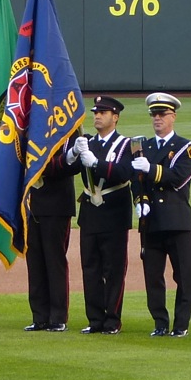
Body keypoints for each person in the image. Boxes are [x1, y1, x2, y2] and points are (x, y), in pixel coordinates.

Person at [131, 91, 191, 337]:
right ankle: (160, 323)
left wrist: (151, 169)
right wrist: (140, 200)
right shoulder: (142, 146)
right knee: (153, 277)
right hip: (151, 222)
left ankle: (181, 324)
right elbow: (136, 180)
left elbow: (178, 178)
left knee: (184, 275)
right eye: (154, 115)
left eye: (162, 114)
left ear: (173, 117)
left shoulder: (186, 147)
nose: (157, 118)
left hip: (176, 221)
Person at [70, 95, 134, 334]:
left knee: (114, 269)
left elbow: (125, 172)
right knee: (90, 268)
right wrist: (72, 153)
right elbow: (68, 168)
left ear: (115, 117)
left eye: (103, 113)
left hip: (114, 214)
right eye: (96, 112)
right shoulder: (87, 142)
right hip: (90, 214)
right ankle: (95, 319)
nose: (97, 116)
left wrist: (96, 163)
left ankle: (112, 320)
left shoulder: (126, 145)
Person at [23, 126, 79, 334]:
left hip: (57, 204)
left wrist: (41, 166)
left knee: (54, 262)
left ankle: (57, 317)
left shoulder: (68, 127)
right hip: (32, 203)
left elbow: (73, 166)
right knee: (34, 261)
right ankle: (39, 316)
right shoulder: (31, 127)